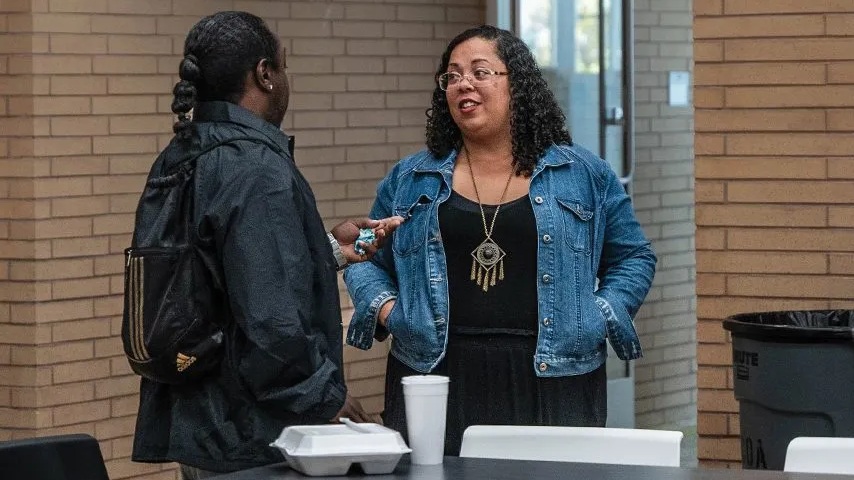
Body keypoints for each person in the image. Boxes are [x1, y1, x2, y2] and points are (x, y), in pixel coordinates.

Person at [344, 25, 656, 456]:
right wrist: (386, 310)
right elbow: (362, 251)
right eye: (451, 76)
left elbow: (634, 256)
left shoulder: (584, 174)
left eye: (480, 71)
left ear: (518, 85)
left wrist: (600, 313)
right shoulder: (409, 177)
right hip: (433, 373)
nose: (463, 84)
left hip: (557, 375)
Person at [129, 11, 402, 479]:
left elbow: (218, 276)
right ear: (264, 74)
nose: (286, 76)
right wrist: (328, 397)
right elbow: (269, 319)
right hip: (255, 435)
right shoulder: (254, 168)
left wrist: (326, 250)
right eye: (284, 65)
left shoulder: (183, 153)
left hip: (200, 428)